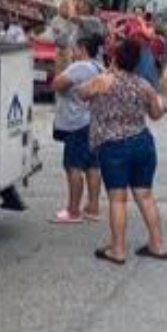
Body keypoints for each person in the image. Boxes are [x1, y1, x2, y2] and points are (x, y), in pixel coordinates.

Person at [80, 38, 167, 264]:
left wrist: (108, 71)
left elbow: (82, 93)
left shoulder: (102, 81)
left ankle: (117, 249)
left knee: (117, 199)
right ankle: (157, 245)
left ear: (115, 59)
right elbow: (157, 115)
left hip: (113, 146)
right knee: (145, 196)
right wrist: (165, 97)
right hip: (142, 143)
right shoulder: (143, 85)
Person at [50, 34, 105, 224]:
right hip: (94, 121)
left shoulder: (80, 67)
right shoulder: (99, 67)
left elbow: (57, 84)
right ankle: (93, 208)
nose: (73, 52)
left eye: (75, 48)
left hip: (77, 123)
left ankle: (73, 211)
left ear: (82, 48)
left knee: (73, 166)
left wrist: (60, 64)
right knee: (92, 165)